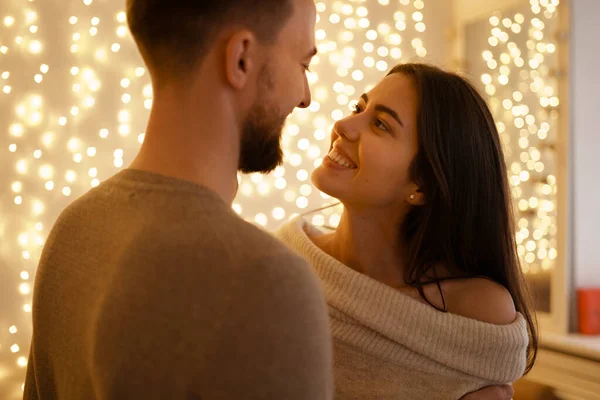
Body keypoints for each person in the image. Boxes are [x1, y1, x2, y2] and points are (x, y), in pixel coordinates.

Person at [24, 0, 334, 399]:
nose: (305, 96)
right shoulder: (264, 278)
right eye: (303, 65)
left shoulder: (75, 227)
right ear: (240, 59)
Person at [276, 63, 538, 399]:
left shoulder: (476, 309)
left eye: (380, 124)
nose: (342, 125)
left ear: (423, 184)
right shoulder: (283, 263)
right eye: (359, 108)